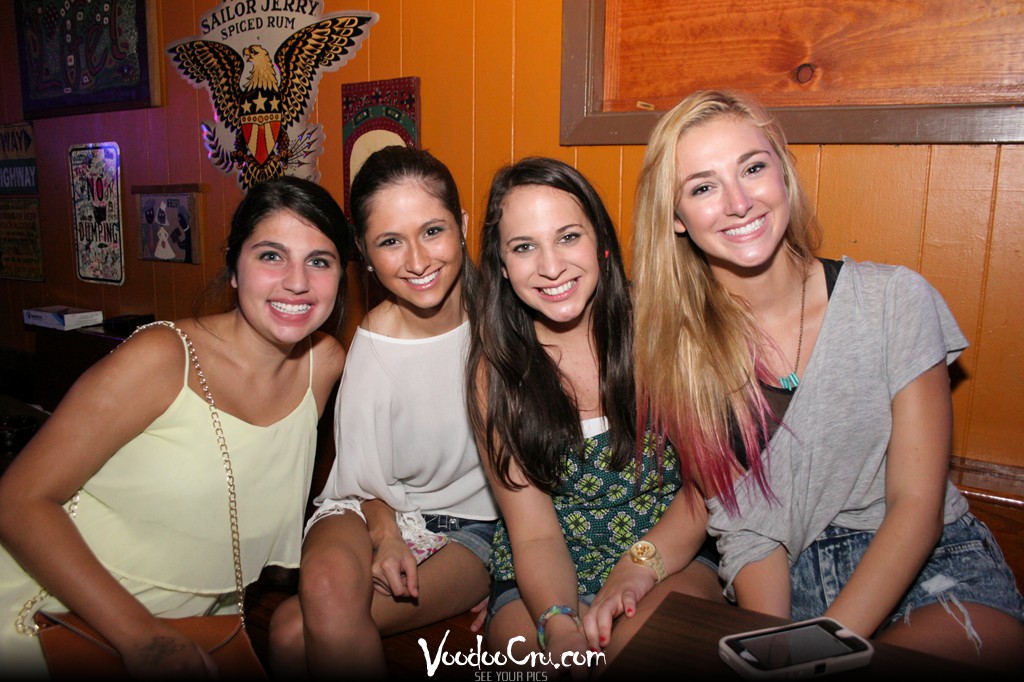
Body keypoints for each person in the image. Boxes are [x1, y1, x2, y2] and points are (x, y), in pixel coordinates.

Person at [630, 89, 1024, 670]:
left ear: (783, 175)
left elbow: (915, 506)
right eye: (703, 187)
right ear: (676, 217)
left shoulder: (894, 300)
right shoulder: (682, 352)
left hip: (933, 570)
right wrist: (775, 643)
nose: (738, 202)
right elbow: (748, 528)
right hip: (789, 579)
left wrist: (818, 649)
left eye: (753, 168)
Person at [0, 175, 352, 678]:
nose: (297, 281)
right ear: (234, 268)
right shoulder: (163, 357)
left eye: (319, 261)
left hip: (195, 634)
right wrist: (140, 637)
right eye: (271, 255)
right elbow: (18, 501)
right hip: (48, 618)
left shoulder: (324, 365)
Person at [466, 157, 722, 674]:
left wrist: (635, 567)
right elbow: (534, 534)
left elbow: (703, 491)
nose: (551, 266)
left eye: (568, 237)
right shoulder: (496, 373)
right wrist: (559, 623)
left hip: (667, 551)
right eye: (524, 247)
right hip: (543, 569)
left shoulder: (657, 329)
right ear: (501, 264)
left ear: (601, 241)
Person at [268, 146, 499, 679]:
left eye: (432, 231)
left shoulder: (506, 323)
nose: (417, 261)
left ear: (463, 226)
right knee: (309, 607)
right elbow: (360, 483)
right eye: (391, 241)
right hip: (368, 511)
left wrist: (521, 579)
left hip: (474, 530)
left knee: (291, 631)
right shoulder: (374, 347)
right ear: (365, 255)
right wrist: (388, 536)